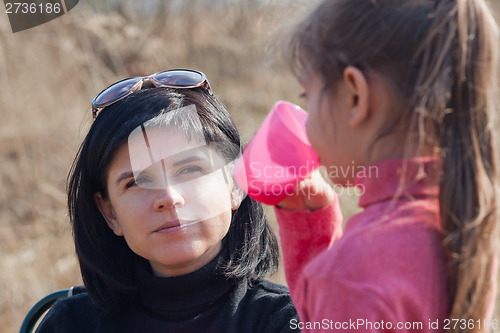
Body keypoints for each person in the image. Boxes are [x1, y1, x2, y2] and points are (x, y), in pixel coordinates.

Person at [273, 1, 499, 332]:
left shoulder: (350, 276)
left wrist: (335, 271)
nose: (305, 123)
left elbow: (353, 291)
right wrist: (314, 236)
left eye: (307, 95)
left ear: (355, 97)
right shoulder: (461, 221)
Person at [36, 69, 298, 332]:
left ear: (235, 183)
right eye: (137, 182)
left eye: (190, 169)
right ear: (109, 212)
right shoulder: (70, 323)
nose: (168, 198)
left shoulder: (287, 319)